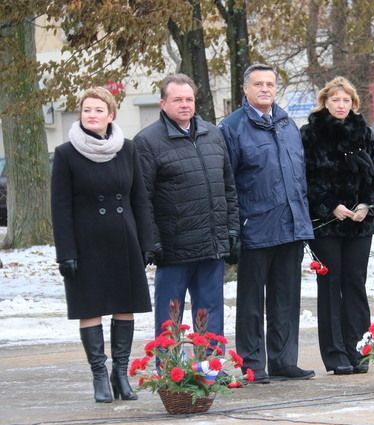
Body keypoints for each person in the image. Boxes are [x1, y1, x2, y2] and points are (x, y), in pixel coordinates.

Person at [51, 87, 153, 402]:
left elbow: (139, 199)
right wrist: (66, 253)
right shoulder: (66, 154)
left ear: (111, 115)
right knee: (91, 308)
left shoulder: (128, 149)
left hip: (123, 238)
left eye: (98, 110)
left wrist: (148, 242)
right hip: (86, 243)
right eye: (86, 110)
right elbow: (60, 208)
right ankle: (99, 376)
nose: (91, 115)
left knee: (125, 306)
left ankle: (120, 373)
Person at [219, 63, 315, 382]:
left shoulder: (288, 125)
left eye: (270, 84)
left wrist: (302, 219)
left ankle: (284, 360)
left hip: (290, 227)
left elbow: (299, 176)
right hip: (254, 228)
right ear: (245, 89)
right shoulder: (231, 128)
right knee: (250, 302)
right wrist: (234, 227)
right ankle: (252, 363)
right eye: (258, 84)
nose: (265, 89)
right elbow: (227, 183)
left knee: (286, 299)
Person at [134, 74, 239, 353]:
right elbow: (142, 199)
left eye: (189, 99)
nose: (184, 105)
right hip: (173, 250)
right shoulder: (147, 142)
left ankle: (210, 371)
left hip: (211, 246)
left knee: (210, 316)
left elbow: (228, 188)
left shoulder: (212, 134)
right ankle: (170, 374)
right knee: (170, 319)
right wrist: (151, 242)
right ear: (163, 103)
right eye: (177, 99)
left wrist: (231, 231)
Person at [300, 77, 374, 375]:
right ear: (325, 102)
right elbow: (307, 177)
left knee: (355, 284)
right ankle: (335, 355)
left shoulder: (363, 132)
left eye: (346, 100)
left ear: (353, 103)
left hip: (359, 222)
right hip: (327, 222)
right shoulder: (310, 134)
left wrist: (366, 204)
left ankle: (360, 350)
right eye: (336, 100)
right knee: (331, 286)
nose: (341, 105)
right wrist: (332, 205)